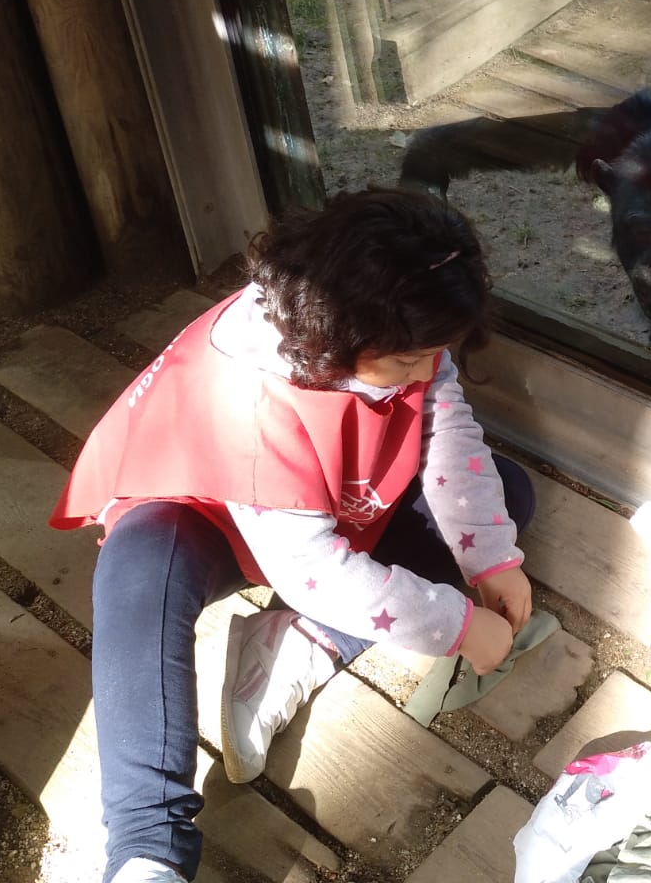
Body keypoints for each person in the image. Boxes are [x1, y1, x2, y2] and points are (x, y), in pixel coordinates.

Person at [50, 188, 536, 883]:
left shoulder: (392, 330)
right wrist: (459, 626)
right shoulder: (249, 394)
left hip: (328, 505)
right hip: (208, 513)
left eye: (437, 352)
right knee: (137, 573)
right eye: (405, 363)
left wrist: (490, 556)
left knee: (505, 497)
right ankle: (147, 846)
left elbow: (446, 427)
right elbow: (314, 568)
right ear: (335, 340)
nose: (425, 373)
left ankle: (304, 642)